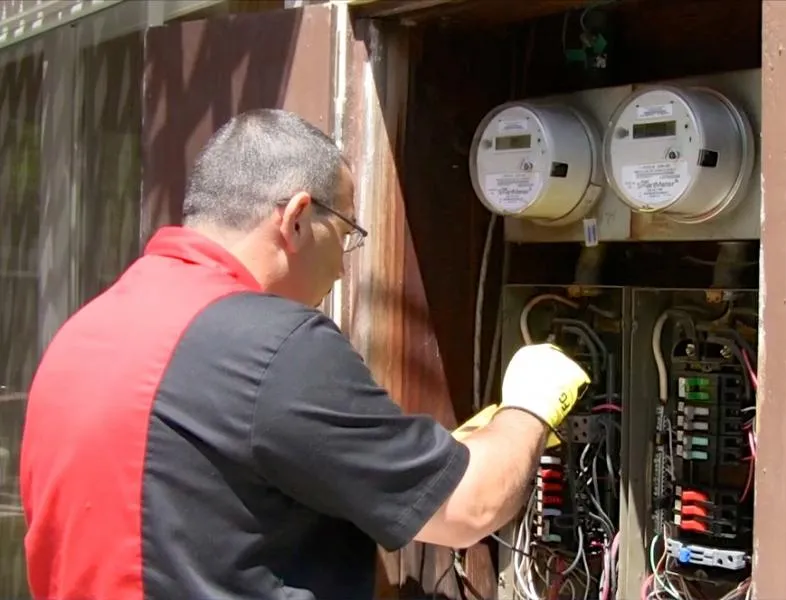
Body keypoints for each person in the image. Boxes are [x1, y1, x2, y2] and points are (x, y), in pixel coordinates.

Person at [19, 109, 589, 600]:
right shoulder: (275, 345)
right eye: (344, 234)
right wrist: (530, 406)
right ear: (295, 218)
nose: (343, 265)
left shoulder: (85, 330)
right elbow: (470, 508)